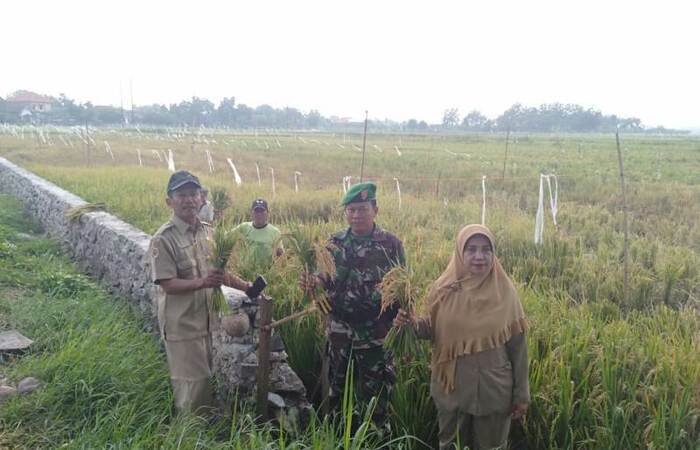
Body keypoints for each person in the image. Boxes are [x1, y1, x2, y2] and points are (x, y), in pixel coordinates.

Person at [394, 224, 530, 450]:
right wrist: (410, 324)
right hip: (452, 389)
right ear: (460, 252)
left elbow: (519, 349)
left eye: (486, 250)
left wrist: (521, 395)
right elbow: (432, 329)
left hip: (494, 391)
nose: (479, 257)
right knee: (451, 445)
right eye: (472, 249)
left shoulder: (505, 292)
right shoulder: (443, 290)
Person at [300, 181, 405, 430]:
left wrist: (403, 325)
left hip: (375, 334)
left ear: (375, 209)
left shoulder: (390, 244)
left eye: (362, 209)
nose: (356, 215)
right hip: (340, 333)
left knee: (376, 397)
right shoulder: (334, 242)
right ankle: (338, 438)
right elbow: (323, 276)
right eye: (351, 210)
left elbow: (403, 287)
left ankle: (375, 442)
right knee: (337, 393)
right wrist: (312, 281)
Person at [149, 170, 252, 416]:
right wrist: (203, 283)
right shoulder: (163, 239)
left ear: (202, 197)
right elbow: (167, 284)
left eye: (193, 194)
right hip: (182, 325)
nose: (189, 200)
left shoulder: (207, 232)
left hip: (205, 322)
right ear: (169, 201)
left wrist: (247, 287)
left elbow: (218, 273)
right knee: (193, 386)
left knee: (202, 380)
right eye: (181, 195)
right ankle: (190, 434)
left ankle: (199, 428)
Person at [232, 198, 283, 270]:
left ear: (268, 213)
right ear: (251, 213)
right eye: (256, 211)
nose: (259, 214)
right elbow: (227, 238)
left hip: (267, 273)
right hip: (245, 272)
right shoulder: (244, 227)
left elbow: (280, 255)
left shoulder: (275, 232)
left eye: (262, 211)